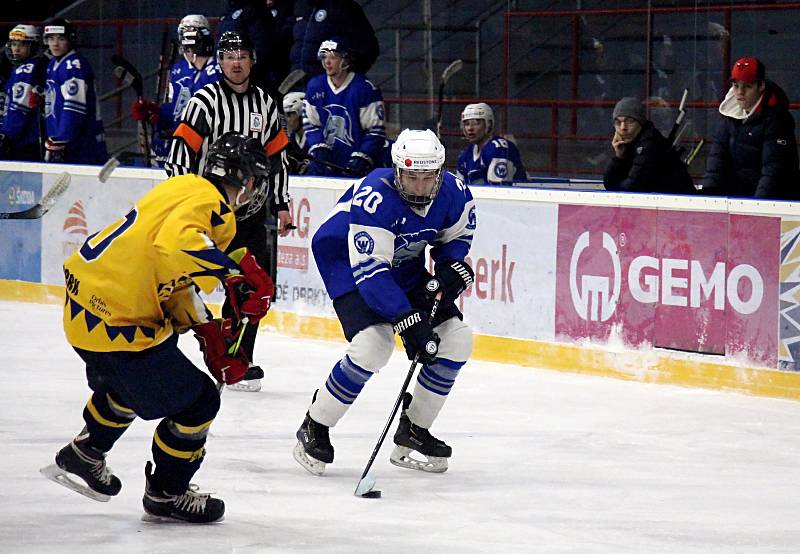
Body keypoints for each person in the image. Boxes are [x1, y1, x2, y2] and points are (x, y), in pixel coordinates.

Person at [42, 132, 275, 523]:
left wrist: (206, 330)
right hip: (120, 323)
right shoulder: (216, 208)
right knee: (200, 402)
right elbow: (177, 244)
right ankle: (167, 494)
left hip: (86, 307)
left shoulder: (182, 186)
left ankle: (85, 453)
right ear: (248, 180)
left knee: (130, 388)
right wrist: (233, 274)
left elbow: (173, 277)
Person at [293, 129, 477, 476]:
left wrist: (452, 265)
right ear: (397, 171)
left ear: (440, 172)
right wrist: (409, 322)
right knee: (373, 345)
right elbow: (373, 274)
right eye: (412, 177)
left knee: (456, 339)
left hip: (401, 262)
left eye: (428, 178)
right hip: (347, 262)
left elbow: (455, 238)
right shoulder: (375, 196)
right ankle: (315, 425)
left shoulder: (454, 192)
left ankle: (414, 430)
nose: (420, 187)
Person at [166, 31, 292, 393]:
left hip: (250, 214)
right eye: (229, 55)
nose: (236, 62)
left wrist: (281, 204)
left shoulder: (266, 104)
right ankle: (161, 352)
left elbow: (277, 158)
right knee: (181, 284)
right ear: (220, 61)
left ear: (252, 60)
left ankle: (239, 360)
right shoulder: (203, 101)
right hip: (208, 215)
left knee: (253, 288)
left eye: (242, 55)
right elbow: (179, 156)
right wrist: (184, 200)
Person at [702, 57, 800, 199]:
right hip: (738, 200)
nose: (740, 92)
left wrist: (756, 206)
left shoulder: (777, 120)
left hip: (776, 204)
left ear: (761, 86)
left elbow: (773, 170)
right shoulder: (728, 116)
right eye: (736, 86)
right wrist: (708, 197)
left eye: (747, 86)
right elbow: (716, 160)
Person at [132, 14, 220, 167]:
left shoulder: (218, 70)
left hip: (203, 149)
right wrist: (156, 114)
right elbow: (176, 110)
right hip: (175, 146)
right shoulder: (179, 69)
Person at [303, 37, 387, 177]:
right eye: (324, 56)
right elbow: (311, 123)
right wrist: (318, 147)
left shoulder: (364, 89)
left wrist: (362, 157)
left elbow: (375, 130)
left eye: (333, 57)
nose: (327, 62)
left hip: (357, 168)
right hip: (327, 165)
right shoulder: (315, 86)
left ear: (346, 60)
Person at [42, 18, 107, 164]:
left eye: (61, 38)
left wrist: (62, 138)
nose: (55, 43)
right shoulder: (54, 63)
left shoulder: (73, 65)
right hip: (64, 141)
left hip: (81, 142)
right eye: (51, 38)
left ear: (70, 39)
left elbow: (73, 107)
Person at [603, 97, 695, 194]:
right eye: (618, 122)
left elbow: (632, 188)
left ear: (640, 123)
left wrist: (617, 186)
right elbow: (609, 184)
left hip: (678, 203)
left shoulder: (650, 143)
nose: (623, 128)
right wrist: (619, 157)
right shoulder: (628, 145)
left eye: (629, 121)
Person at [219, 0, 294, 97]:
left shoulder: (256, 11)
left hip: (251, 80)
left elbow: (262, 48)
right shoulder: (229, 12)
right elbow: (219, 44)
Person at [290, 0, 379, 80]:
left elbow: (368, 48)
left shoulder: (342, 7)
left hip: (329, 86)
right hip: (298, 83)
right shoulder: (300, 6)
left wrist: (343, 77)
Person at [0, 24, 48, 161]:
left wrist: (6, 135)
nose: (16, 49)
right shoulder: (25, 68)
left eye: (22, 44)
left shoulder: (26, 70)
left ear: (32, 46)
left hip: (24, 141)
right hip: (28, 138)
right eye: (14, 44)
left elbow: (18, 108)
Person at [456, 103, 526, 185]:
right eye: (467, 124)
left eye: (476, 123)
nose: (470, 128)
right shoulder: (465, 154)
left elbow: (498, 190)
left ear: (488, 124)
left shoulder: (498, 148)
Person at [282, 90, 310, 173]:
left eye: (289, 114)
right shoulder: (293, 139)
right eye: (285, 115)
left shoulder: (316, 140)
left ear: (302, 114)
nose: (286, 119)